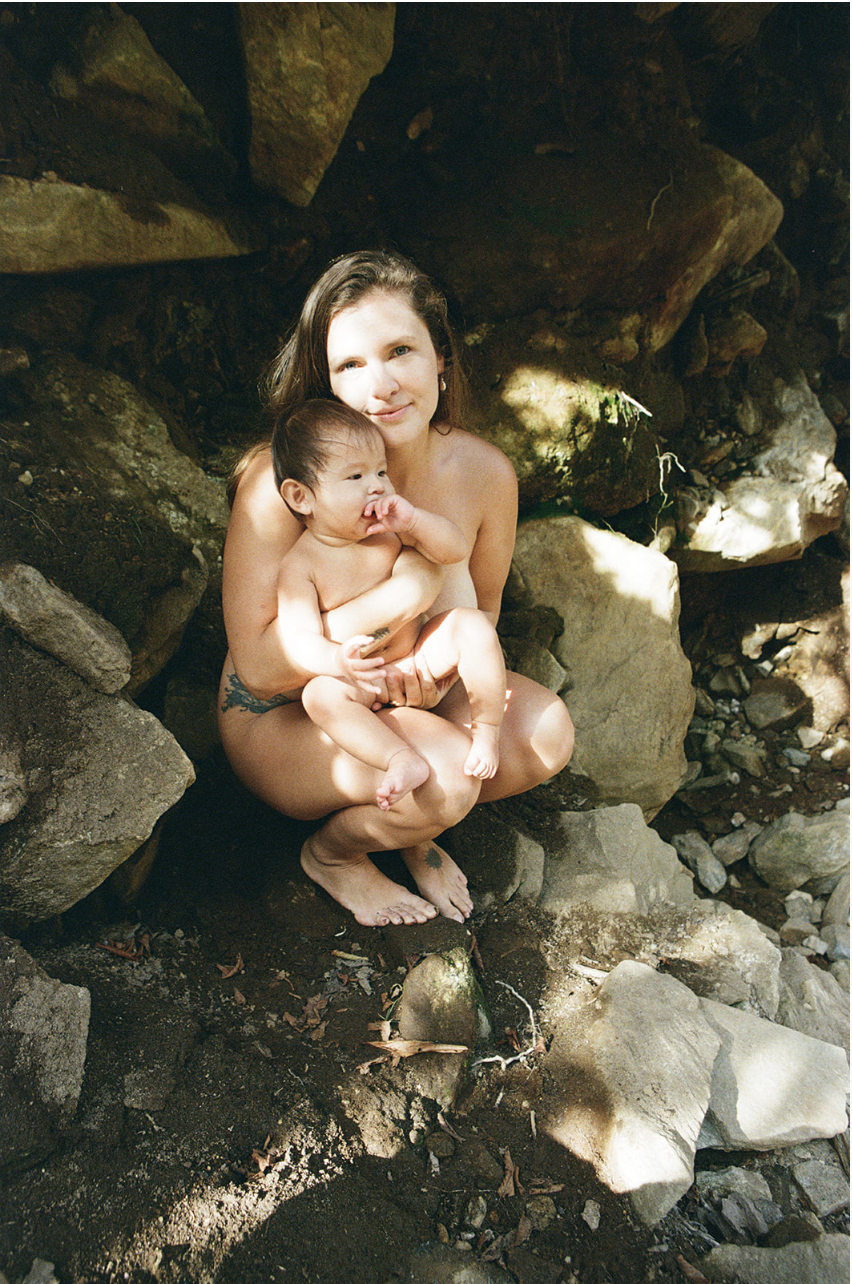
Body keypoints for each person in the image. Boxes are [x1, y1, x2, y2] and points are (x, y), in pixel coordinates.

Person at [218, 249, 575, 928]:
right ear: (323, 382)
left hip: (411, 686)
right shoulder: (279, 485)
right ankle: (335, 855)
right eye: (350, 365)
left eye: (400, 350)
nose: (379, 385)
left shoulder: (485, 473)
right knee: (444, 780)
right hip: (297, 711)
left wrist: (431, 673)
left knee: (544, 735)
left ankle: (412, 824)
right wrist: (409, 595)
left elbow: (486, 606)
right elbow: (263, 668)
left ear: (441, 356)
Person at [268, 397, 508, 811]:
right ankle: (398, 759)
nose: (377, 485)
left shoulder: (389, 529)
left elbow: (452, 550)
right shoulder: (300, 566)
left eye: (381, 471)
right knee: (319, 697)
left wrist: (415, 522)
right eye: (355, 476)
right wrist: (337, 662)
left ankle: (486, 727)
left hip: (416, 658)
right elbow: (298, 639)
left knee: (473, 627)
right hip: (360, 680)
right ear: (301, 497)